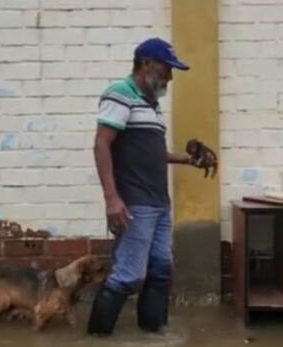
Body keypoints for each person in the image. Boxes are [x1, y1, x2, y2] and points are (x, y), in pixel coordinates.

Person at [88, 37, 215, 335]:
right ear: (146, 64)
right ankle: (96, 336)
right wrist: (112, 199)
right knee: (129, 275)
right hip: (135, 203)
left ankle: (153, 332)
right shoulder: (120, 94)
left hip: (159, 202)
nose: (170, 76)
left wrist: (188, 160)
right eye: (166, 68)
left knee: (160, 270)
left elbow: (151, 153)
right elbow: (101, 145)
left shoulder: (151, 105)